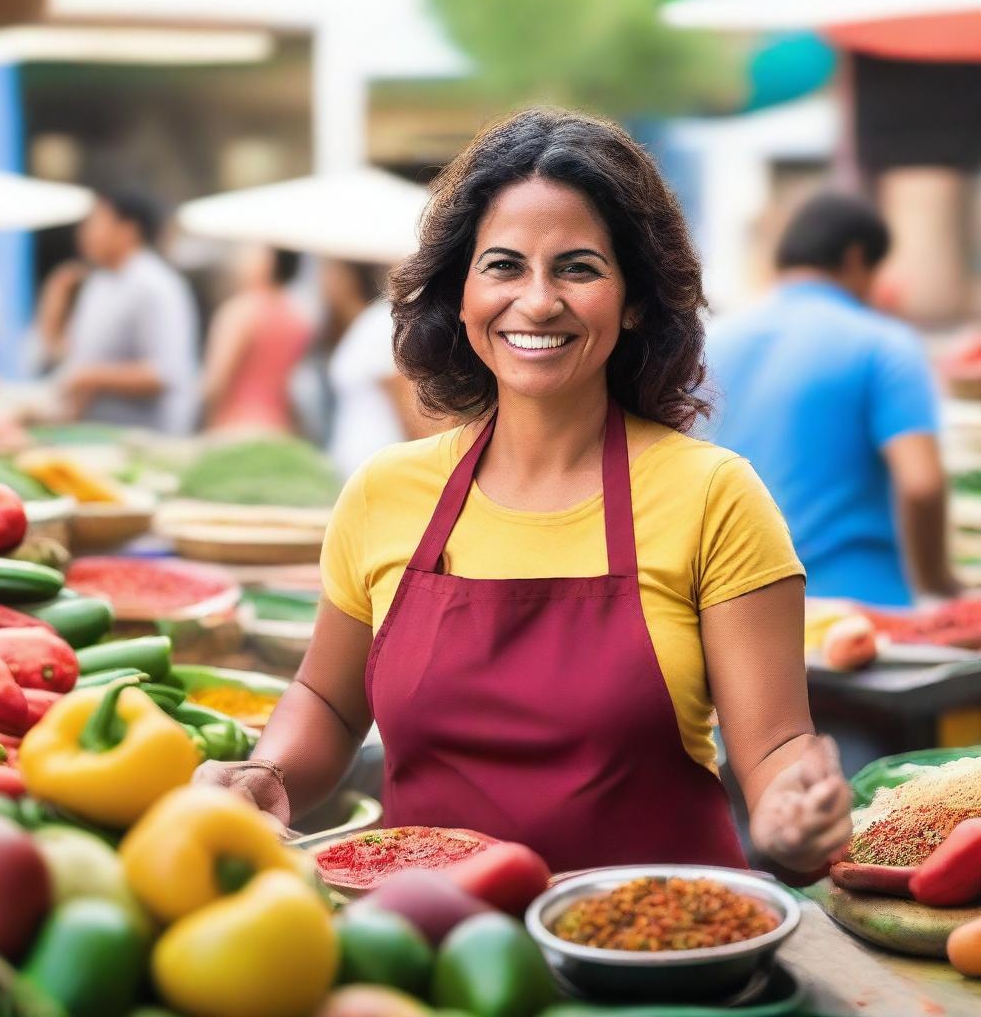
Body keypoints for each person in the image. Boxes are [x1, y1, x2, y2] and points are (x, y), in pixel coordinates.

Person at [196, 108, 851, 876]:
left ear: (634, 298)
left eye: (578, 267)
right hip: (429, 948)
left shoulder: (715, 495)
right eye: (504, 266)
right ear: (461, 292)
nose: (537, 301)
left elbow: (774, 744)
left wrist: (791, 810)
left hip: (652, 953)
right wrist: (266, 775)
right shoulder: (384, 490)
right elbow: (331, 700)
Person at [704, 191, 959, 607]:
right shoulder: (883, 343)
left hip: (737, 609)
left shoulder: (710, 344)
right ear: (857, 259)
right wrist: (936, 584)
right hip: (862, 609)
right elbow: (921, 483)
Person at [33, 187, 199, 434]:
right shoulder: (100, 282)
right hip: (94, 434)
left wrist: (89, 377)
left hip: (144, 441)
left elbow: (166, 373)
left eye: (96, 222)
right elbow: (72, 355)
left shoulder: (154, 285)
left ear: (127, 229)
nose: (84, 234)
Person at [322, 259, 432, 478]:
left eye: (329, 272)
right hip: (360, 470)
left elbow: (409, 407)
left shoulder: (383, 322)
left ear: (349, 277)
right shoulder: (366, 322)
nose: (323, 281)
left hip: (381, 471)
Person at [201, 245, 312, 432]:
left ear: (268, 261)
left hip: (236, 425)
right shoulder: (299, 316)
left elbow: (216, 383)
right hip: (281, 426)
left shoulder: (241, 311)